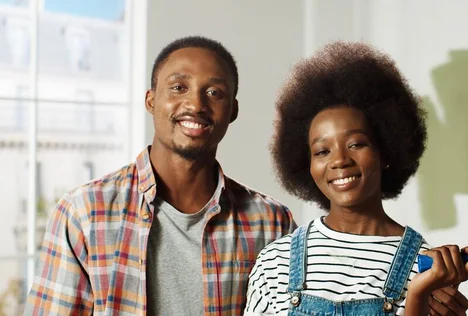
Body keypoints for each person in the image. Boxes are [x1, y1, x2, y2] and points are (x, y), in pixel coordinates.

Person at [25, 36, 296, 316]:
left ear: (233, 111)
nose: (196, 103)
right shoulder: (84, 213)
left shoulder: (272, 224)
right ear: (151, 101)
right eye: (179, 87)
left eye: (214, 92)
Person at [244, 42, 468, 316]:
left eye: (356, 144)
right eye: (322, 151)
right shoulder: (277, 261)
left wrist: (419, 293)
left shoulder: (425, 268)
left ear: (387, 152)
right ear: (306, 165)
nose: (339, 161)